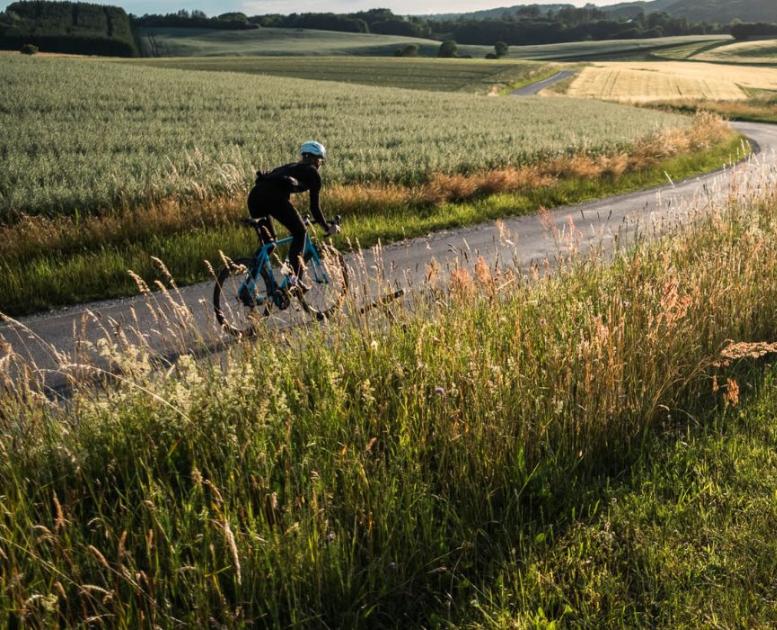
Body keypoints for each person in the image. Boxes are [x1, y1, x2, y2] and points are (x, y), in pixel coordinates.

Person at [247, 140, 339, 292]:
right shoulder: (313, 173)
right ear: (316, 159)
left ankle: (248, 285)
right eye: (320, 160)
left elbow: (283, 193)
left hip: (255, 197)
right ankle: (293, 280)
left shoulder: (290, 167)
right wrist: (326, 227)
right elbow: (314, 208)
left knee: (269, 243)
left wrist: (295, 217)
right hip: (272, 198)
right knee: (300, 232)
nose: (320, 164)